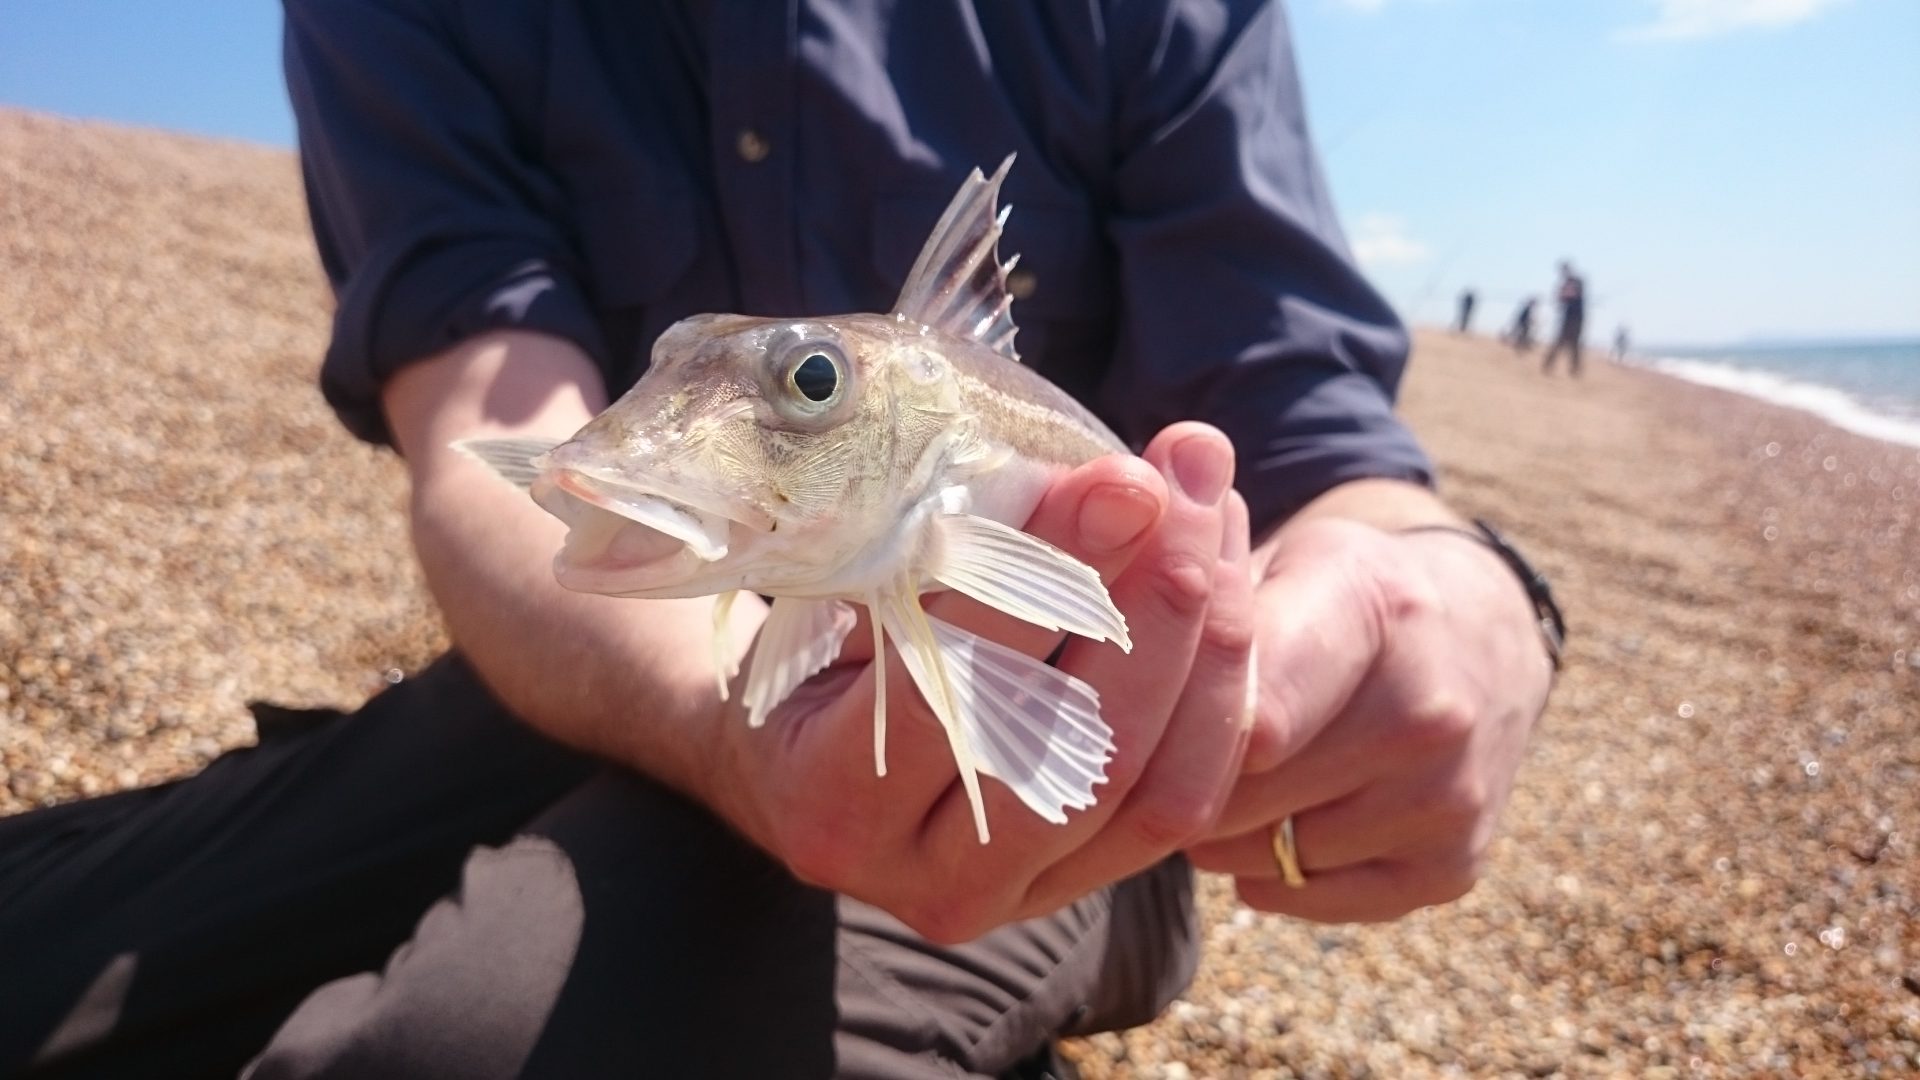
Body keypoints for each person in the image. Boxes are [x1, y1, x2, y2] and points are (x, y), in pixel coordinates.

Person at [0, 3, 1561, 1077]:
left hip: (1067, 736)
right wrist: (717, 718)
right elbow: (499, 428)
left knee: (472, 1047)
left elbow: (1314, 449)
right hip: (604, 674)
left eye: (811, 387)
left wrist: (1465, 601)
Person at [1540, 261, 1587, 376]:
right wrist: (1561, 295)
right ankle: (1549, 365)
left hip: (1577, 317)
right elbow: (1560, 298)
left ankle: (1574, 370)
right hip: (1567, 317)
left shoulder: (1577, 281)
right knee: (1560, 341)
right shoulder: (1565, 283)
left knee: (1574, 344)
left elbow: (1573, 294)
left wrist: (1564, 294)